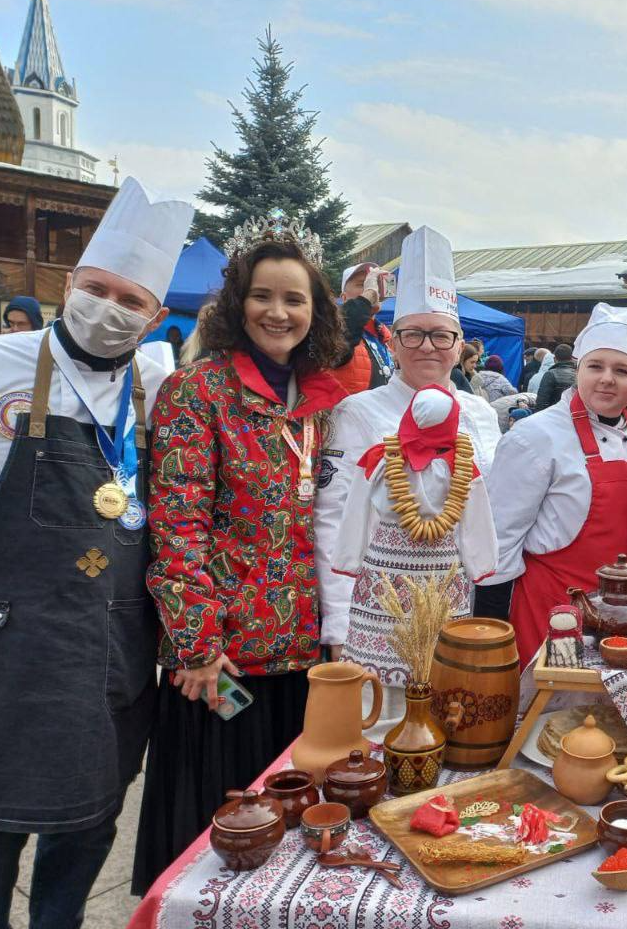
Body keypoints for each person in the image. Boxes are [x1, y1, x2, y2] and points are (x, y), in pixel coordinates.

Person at [132, 212, 349, 893]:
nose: (277, 312)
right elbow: (179, 524)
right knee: (220, 827)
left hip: (297, 657)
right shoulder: (195, 392)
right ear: (236, 300)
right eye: (263, 295)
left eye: (294, 298)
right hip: (222, 666)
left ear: (316, 312)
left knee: (281, 829)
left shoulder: (316, 404)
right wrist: (195, 644)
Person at [0, 178, 192, 929]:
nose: (108, 307)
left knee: (88, 821)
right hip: (18, 640)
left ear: (157, 317)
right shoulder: (9, 362)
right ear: (69, 283)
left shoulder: (156, 378)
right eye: (96, 286)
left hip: (114, 644)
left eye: (130, 300)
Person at [315, 226, 501, 685]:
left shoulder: (481, 414)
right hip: (379, 609)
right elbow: (334, 518)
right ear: (392, 343)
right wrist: (339, 623)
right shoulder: (357, 412)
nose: (427, 347)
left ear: (460, 346)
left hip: (463, 601)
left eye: (441, 336)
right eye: (413, 335)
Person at [483, 303, 627, 665]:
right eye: (595, 366)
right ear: (578, 369)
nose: (607, 378)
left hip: (621, 618)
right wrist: (490, 631)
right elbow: (498, 541)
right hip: (554, 611)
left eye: (622, 370)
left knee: (604, 716)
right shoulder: (536, 436)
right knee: (548, 714)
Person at [329, 380, 496, 733]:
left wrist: (350, 556)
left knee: (436, 651)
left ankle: (397, 729)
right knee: (399, 648)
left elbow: (356, 509)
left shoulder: (444, 463)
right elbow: (476, 520)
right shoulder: (397, 459)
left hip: (411, 571)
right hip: (416, 572)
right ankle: (397, 731)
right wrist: (480, 564)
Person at [331, 262, 393, 395]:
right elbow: (344, 325)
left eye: (375, 283)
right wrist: (368, 295)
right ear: (344, 297)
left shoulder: (385, 337)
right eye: (362, 284)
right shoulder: (335, 328)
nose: (372, 288)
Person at [535, 343, 577, 411]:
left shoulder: (550, 374)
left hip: (555, 415)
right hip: (575, 416)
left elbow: (541, 402)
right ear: (572, 358)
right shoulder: (578, 374)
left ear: (554, 359)